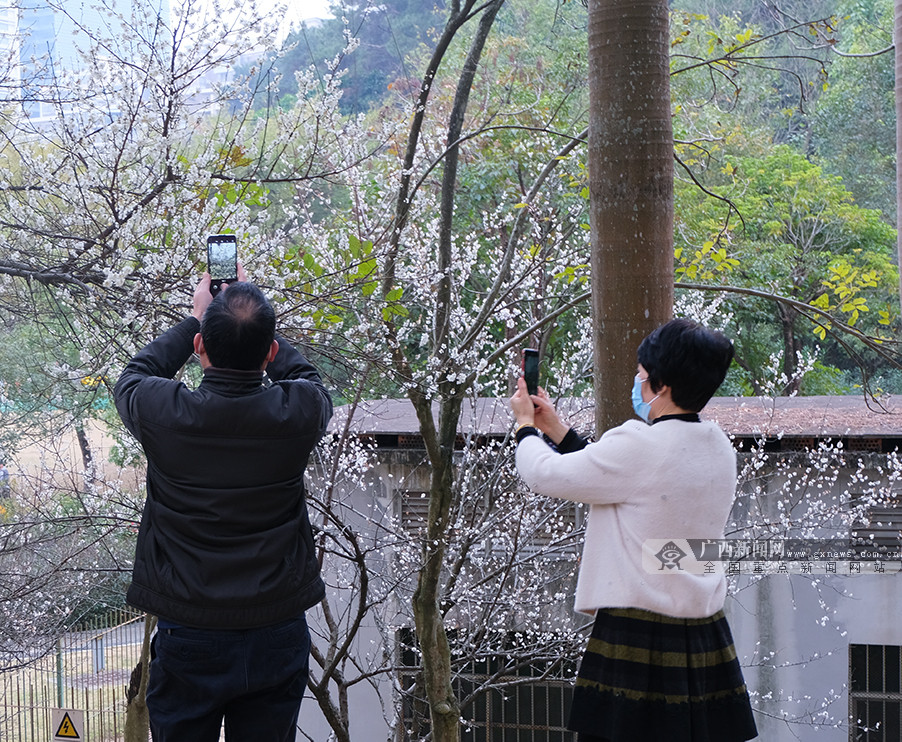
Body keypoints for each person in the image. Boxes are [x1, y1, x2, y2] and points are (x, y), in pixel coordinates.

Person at [509, 319, 757, 742]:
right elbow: (624, 479)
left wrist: (525, 427)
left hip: (636, 630)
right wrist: (557, 431)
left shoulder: (639, 444)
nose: (637, 382)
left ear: (661, 385)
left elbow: (543, 473)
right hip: (703, 631)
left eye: (641, 374)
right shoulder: (718, 445)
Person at [114, 269, 333, 742]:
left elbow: (133, 376)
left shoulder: (166, 413)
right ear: (270, 352)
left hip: (189, 629)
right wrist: (253, 325)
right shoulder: (296, 414)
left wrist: (198, 319)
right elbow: (309, 380)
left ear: (199, 348)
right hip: (276, 628)